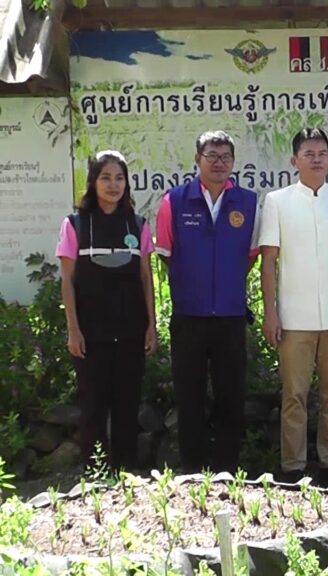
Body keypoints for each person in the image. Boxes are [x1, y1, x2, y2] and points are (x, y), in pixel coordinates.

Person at [259, 128, 328, 486]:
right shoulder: (277, 201)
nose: (317, 159)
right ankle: (292, 466)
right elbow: (268, 261)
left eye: (322, 153)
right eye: (309, 153)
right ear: (295, 160)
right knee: (294, 395)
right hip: (294, 317)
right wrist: (270, 311)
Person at [156, 131, 259, 473]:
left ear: (233, 162)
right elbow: (166, 253)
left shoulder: (248, 202)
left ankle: (227, 470)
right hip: (189, 316)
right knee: (190, 397)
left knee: (231, 397)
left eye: (226, 156)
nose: (219, 163)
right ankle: (192, 471)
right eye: (211, 155)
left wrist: (225, 283)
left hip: (230, 316)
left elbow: (251, 255)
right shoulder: (174, 201)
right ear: (197, 159)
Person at [56, 150, 157, 471]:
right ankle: (95, 474)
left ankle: (127, 474)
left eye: (119, 178)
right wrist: (73, 329)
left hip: (130, 332)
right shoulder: (75, 224)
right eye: (105, 178)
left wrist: (151, 325)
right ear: (93, 182)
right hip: (90, 334)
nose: (113, 185)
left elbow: (146, 277)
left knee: (127, 404)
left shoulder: (137, 224)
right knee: (94, 407)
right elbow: (68, 280)